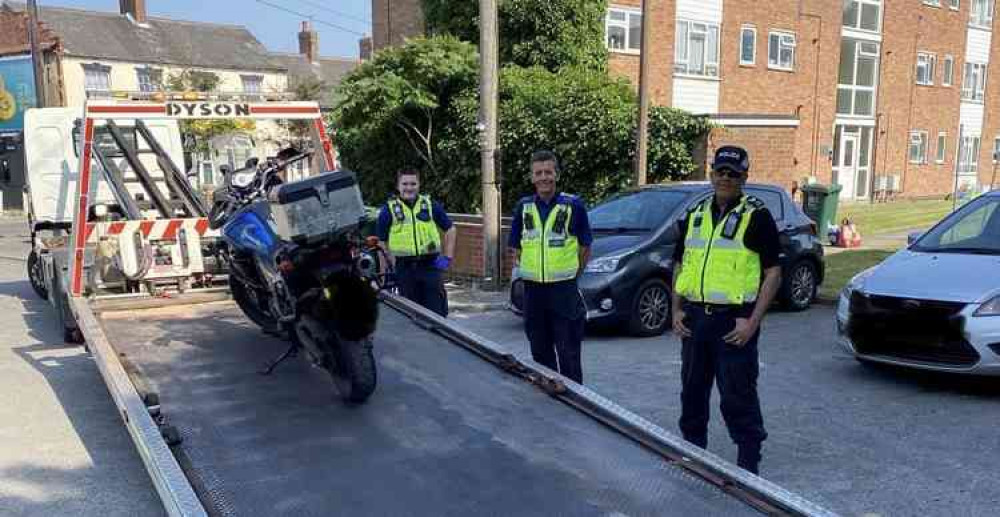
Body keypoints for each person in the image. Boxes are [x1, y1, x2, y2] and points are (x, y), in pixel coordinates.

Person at [670, 145, 782, 475]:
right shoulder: (695, 215)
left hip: (734, 324)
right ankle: (693, 455)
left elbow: (773, 273)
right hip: (695, 320)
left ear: (744, 177)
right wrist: (675, 310)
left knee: (737, 396)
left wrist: (752, 322)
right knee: (691, 392)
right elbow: (679, 262)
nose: (726, 178)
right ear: (711, 174)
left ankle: (749, 467)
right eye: (720, 171)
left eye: (733, 174)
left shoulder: (756, 215)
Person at [508, 150, 592, 384]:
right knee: (539, 351)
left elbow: (585, 247)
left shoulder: (573, 205)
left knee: (569, 353)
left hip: (564, 292)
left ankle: (576, 403)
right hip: (534, 293)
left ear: (556, 174)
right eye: (538, 173)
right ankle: (547, 399)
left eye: (548, 172)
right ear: (532, 177)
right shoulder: (523, 208)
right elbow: (516, 248)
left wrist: (574, 274)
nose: (544, 177)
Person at [375, 169, 456, 317]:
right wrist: (384, 274)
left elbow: (450, 229)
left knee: (438, 314)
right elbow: (382, 244)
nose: (409, 188)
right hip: (404, 269)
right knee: (412, 316)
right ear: (398, 186)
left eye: (413, 183)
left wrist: (447, 257)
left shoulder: (430, 205)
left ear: (419, 185)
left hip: (430, 266)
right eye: (405, 184)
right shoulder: (388, 210)